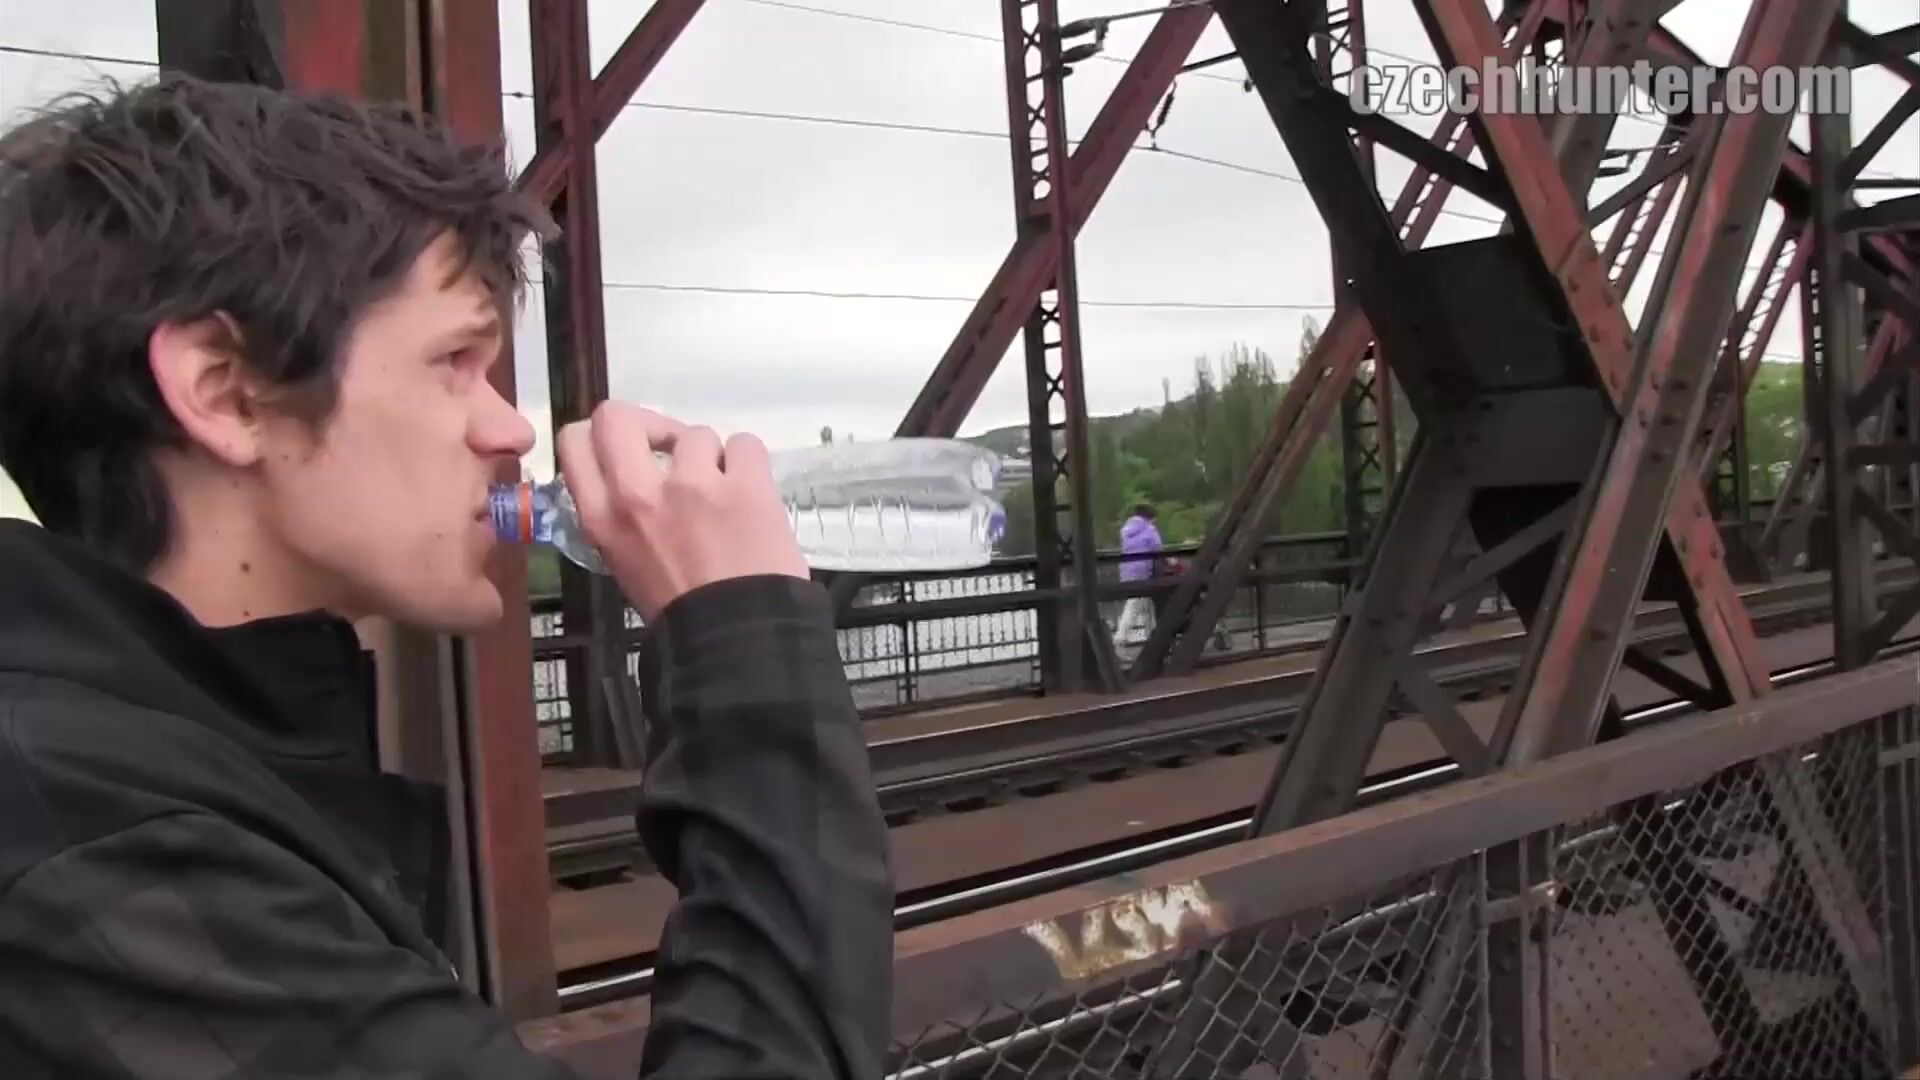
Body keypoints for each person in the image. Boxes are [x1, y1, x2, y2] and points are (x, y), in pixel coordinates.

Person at [0, 76, 892, 1078]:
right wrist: (747, 652)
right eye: (456, 360)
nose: (509, 429)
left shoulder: (141, 773)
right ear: (226, 391)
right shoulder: (99, 850)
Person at [1113, 503, 1163, 647]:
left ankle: (1151, 633)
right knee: (1135, 604)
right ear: (1150, 517)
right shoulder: (1149, 529)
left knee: (1145, 604)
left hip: (1127, 569)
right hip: (1143, 570)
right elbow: (1158, 548)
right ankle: (1121, 636)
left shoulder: (1126, 530)